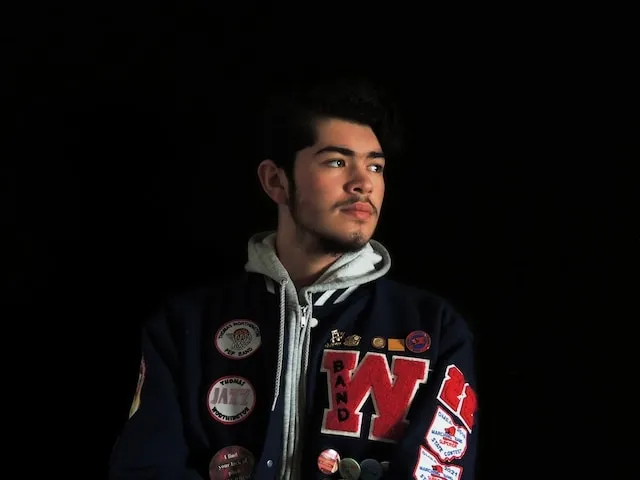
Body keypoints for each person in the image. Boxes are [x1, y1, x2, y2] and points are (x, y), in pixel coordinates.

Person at [108, 76, 479, 480]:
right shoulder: (185, 325)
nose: (363, 182)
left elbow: (440, 469)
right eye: (337, 161)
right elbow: (145, 468)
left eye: (375, 165)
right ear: (276, 181)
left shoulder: (434, 328)